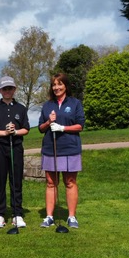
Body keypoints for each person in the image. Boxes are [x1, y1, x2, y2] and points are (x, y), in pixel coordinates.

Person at [37, 73, 85, 229]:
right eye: (54, 85)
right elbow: (40, 128)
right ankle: (49, 216)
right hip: (51, 148)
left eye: (60, 84)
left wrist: (63, 127)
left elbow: (80, 126)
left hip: (70, 147)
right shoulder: (47, 105)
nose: (56, 87)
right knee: (51, 183)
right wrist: (49, 122)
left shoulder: (75, 103)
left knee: (70, 182)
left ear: (66, 86)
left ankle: (71, 217)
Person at [0, 76, 30, 229]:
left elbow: (26, 129)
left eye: (10, 88)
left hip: (16, 146)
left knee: (16, 180)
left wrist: (15, 131)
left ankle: (17, 213)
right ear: (0, 90)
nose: (7, 91)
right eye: (4, 89)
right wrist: (5, 133)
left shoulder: (21, 108)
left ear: (14, 89)